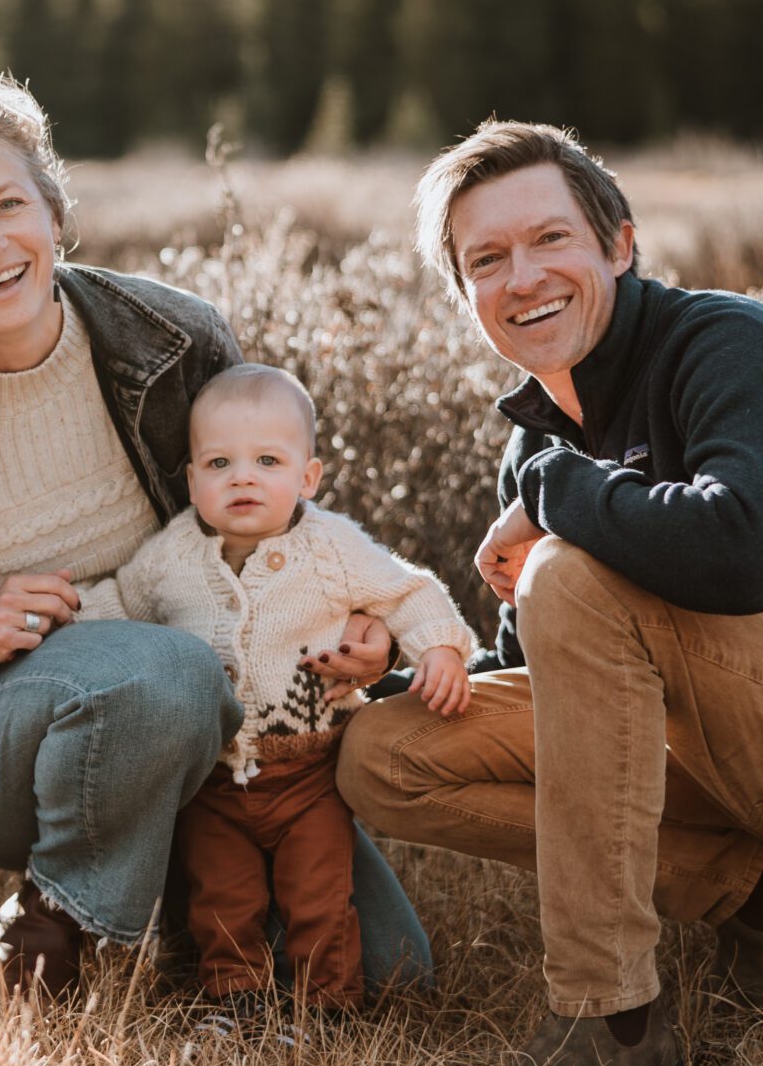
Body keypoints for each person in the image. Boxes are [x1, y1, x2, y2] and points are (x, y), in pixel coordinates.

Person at [337, 121, 763, 1066]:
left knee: (569, 577)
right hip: (708, 757)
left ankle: (611, 1026)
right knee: (379, 752)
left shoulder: (730, 348)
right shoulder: (541, 443)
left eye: (551, 239)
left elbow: (740, 551)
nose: (524, 277)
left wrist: (556, 492)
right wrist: (387, 669)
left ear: (618, 245)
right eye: (487, 260)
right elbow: (554, 677)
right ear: (462, 296)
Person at [0, 64, 430, 998]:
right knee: (163, 670)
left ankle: (181, 921)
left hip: (224, 735)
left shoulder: (174, 342)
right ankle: (52, 931)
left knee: (394, 975)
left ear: (53, 210)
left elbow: (277, 516)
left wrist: (364, 627)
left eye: (7, 204)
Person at [91, 364, 476, 1012]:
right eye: (218, 462)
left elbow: (405, 588)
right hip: (213, 779)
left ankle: (325, 1005)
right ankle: (234, 994)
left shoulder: (330, 547)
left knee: (318, 892)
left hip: (308, 775)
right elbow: (118, 603)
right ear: (191, 479)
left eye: (267, 460)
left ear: (308, 477)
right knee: (221, 894)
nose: (242, 476)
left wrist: (438, 644)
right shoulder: (174, 554)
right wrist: (59, 622)